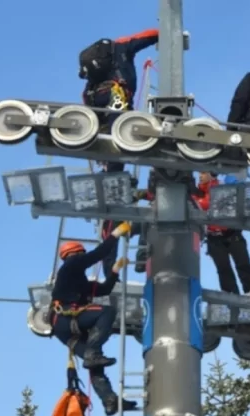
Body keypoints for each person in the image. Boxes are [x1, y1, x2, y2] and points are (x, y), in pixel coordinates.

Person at [79, 29, 159, 273]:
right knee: (118, 141)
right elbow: (151, 34)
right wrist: (165, 33)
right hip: (116, 94)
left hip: (95, 99)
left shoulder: (99, 59)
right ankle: (116, 267)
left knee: (109, 150)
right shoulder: (123, 47)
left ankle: (110, 269)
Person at [49, 222, 138, 415]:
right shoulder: (72, 265)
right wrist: (115, 234)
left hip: (64, 329)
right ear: (76, 253)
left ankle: (109, 400)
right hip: (66, 318)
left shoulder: (76, 279)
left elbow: (103, 290)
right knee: (107, 312)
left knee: (94, 364)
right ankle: (93, 353)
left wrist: (114, 272)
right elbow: (99, 253)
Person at [193, 172, 250, 296]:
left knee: (243, 263)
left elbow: (217, 202)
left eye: (203, 173)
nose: (200, 176)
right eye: (199, 174)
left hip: (231, 233)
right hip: (213, 237)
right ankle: (231, 295)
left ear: (211, 174)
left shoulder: (221, 187)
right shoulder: (196, 194)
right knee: (223, 269)